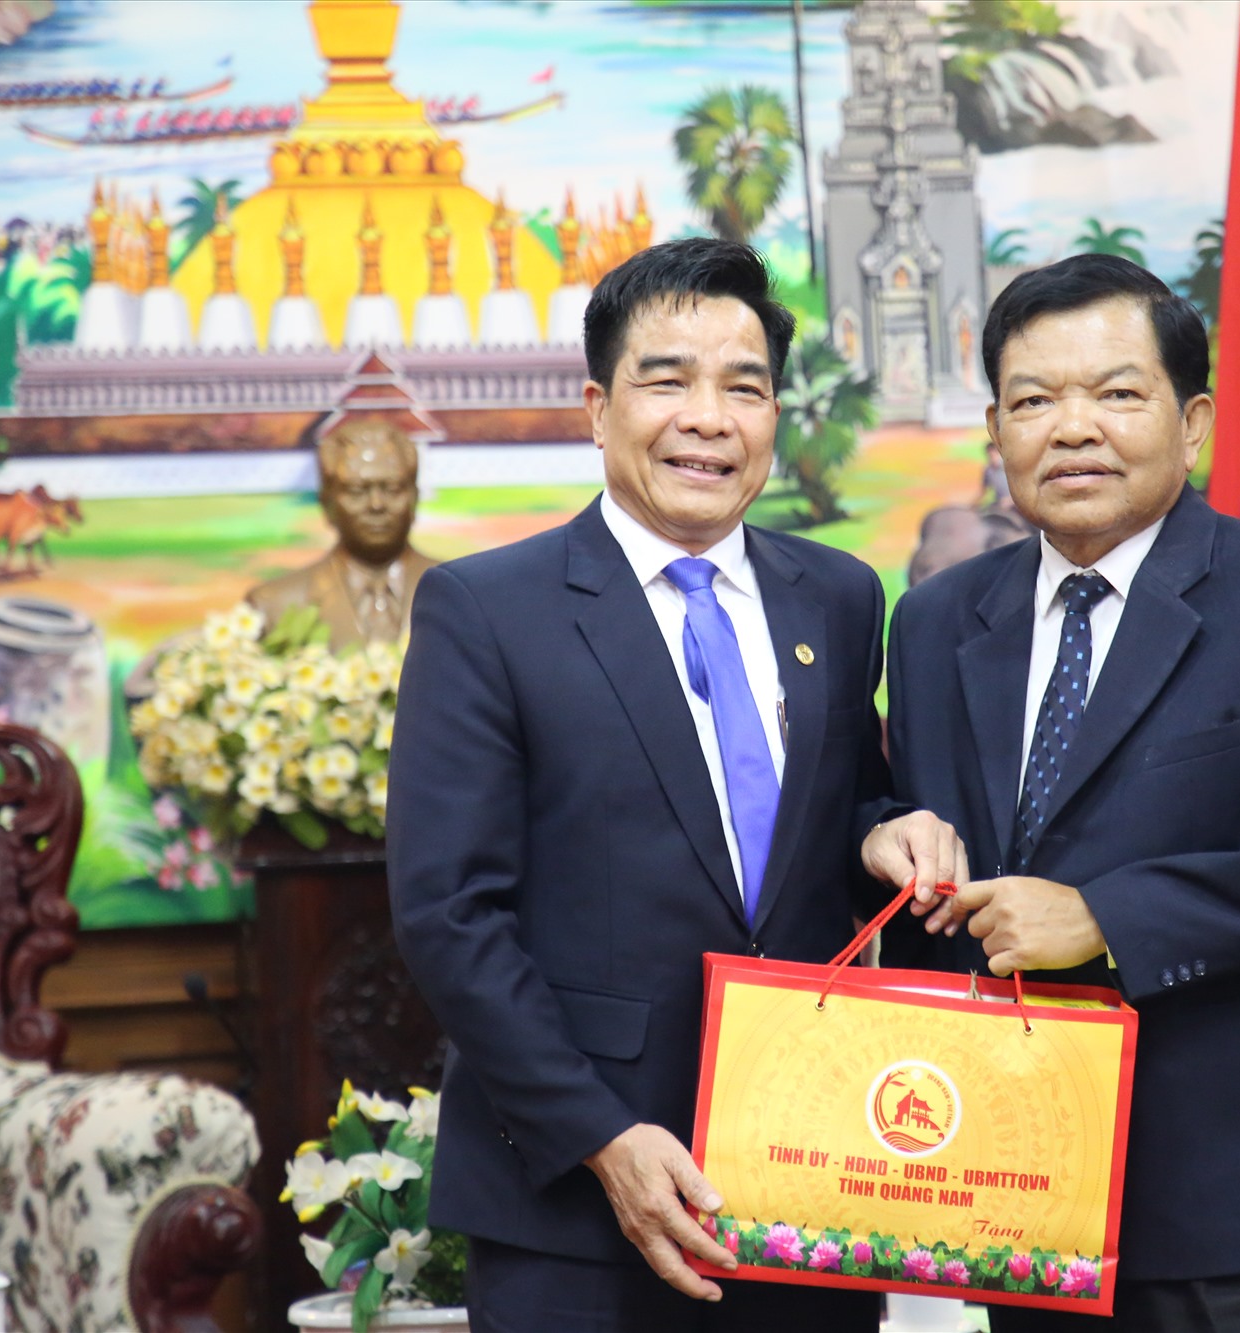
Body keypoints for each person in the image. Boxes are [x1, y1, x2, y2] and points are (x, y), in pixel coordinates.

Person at [386, 237, 966, 1333]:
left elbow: (837, 808)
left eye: (743, 387)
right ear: (598, 409)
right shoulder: (487, 611)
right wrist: (601, 1135)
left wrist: (890, 831)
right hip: (572, 1196)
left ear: (773, 418)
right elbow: (447, 913)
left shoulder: (838, 598)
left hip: (800, 1175)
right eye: (667, 380)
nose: (708, 417)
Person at [883, 253, 1240, 1332]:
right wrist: (881, 838)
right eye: (1032, 401)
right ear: (995, 435)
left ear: (1192, 421)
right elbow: (898, 816)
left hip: (1238, 1206)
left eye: (1117, 394)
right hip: (1021, 1191)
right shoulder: (936, 622)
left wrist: (1102, 919)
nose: (1071, 429)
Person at [246, 416, 437, 646]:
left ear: (414, 498)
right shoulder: (275, 604)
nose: (376, 504)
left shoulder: (463, 597)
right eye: (357, 491)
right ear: (327, 502)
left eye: (393, 489)